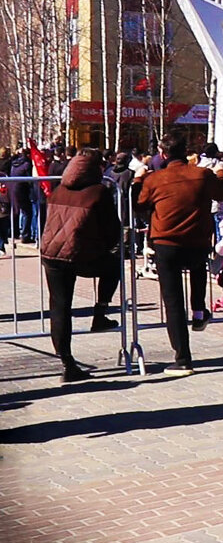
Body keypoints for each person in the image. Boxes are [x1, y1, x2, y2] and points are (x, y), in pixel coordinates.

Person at [136, 134, 223, 376]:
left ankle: (183, 359)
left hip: (166, 242)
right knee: (199, 268)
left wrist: (138, 181)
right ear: (185, 151)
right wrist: (221, 172)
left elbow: (138, 203)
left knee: (173, 300)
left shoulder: (155, 179)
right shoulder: (201, 174)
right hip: (197, 240)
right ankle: (199, 311)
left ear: (163, 154)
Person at [38, 149, 122, 382]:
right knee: (113, 267)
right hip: (81, 255)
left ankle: (66, 361)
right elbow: (112, 230)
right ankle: (100, 312)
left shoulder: (57, 190)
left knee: (60, 306)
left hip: (52, 254)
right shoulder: (98, 192)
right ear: (96, 168)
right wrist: (103, 246)